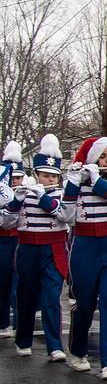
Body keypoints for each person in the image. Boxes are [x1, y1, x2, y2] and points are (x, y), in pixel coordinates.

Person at [64, 136, 107, 380]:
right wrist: (74, 184)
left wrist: (97, 181)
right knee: (85, 303)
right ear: (92, 158)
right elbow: (65, 216)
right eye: (102, 156)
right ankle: (77, 350)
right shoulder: (76, 184)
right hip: (84, 247)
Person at [3, 135, 61, 360]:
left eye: (53, 176)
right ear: (36, 174)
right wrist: (16, 201)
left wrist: (45, 199)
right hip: (27, 249)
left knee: (51, 298)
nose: (49, 179)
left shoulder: (63, 194)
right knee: (26, 295)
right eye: (45, 175)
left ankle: (55, 346)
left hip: (53, 249)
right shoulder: (23, 194)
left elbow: (67, 216)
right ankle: (23, 339)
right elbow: (7, 222)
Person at [0, 141, 24, 339]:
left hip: (20, 242)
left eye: (19, 178)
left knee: (19, 286)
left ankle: (19, 326)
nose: (15, 182)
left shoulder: (28, 193)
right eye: (12, 178)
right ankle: (3, 324)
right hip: (2, 242)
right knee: (2, 284)